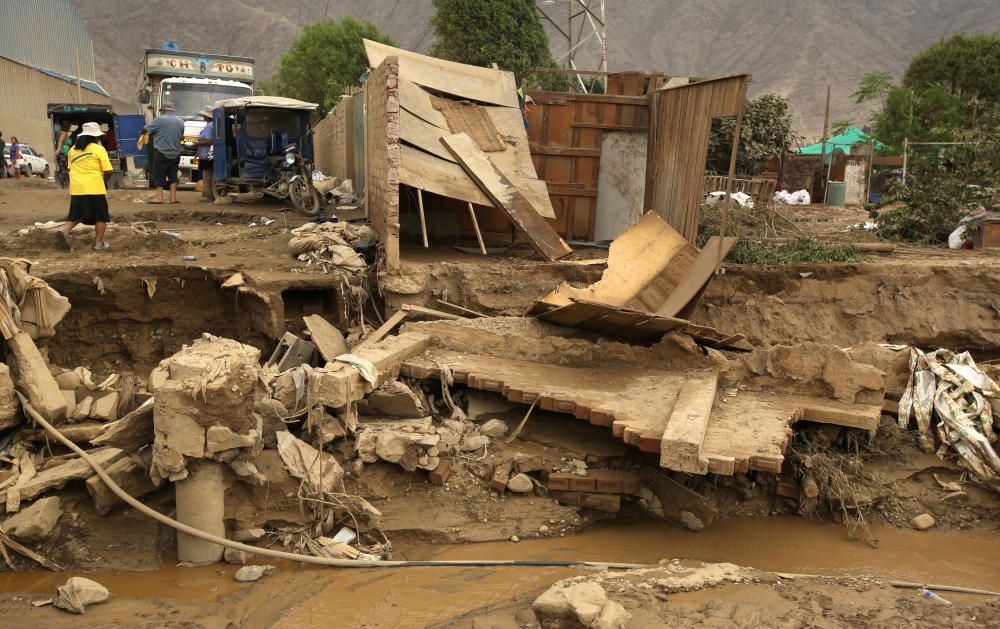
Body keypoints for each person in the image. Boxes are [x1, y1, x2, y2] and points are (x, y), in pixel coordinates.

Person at [61, 122, 113, 251]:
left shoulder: (72, 150)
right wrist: (103, 181)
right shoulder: (99, 149)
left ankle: (63, 232)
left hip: (77, 188)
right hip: (95, 187)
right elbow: (108, 170)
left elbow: (69, 169)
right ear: (95, 137)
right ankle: (98, 244)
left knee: (77, 215)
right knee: (101, 216)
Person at [143, 101, 184, 203]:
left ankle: (159, 198)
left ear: (164, 110)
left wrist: (142, 133)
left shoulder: (159, 120)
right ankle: (173, 198)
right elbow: (181, 136)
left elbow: (145, 130)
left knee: (158, 175)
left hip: (161, 153)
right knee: (173, 175)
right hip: (176, 153)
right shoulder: (180, 121)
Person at [195, 106, 215, 202]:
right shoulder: (214, 125)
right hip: (209, 155)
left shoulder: (209, 126)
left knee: (205, 175)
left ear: (207, 116)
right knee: (208, 175)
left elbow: (209, 141)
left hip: (206, 156)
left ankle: (208, 195)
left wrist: (197, 143)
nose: (203, 116)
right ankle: (208, 195)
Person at [55, 121, 73, 187]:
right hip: (63, 153)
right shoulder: (63, 133)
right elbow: (60, 140)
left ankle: (64, 183)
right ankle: (63, 183)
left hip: (65, 153)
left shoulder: (63, 133)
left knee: (64, 169)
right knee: (64, 169)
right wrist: (59, 149)